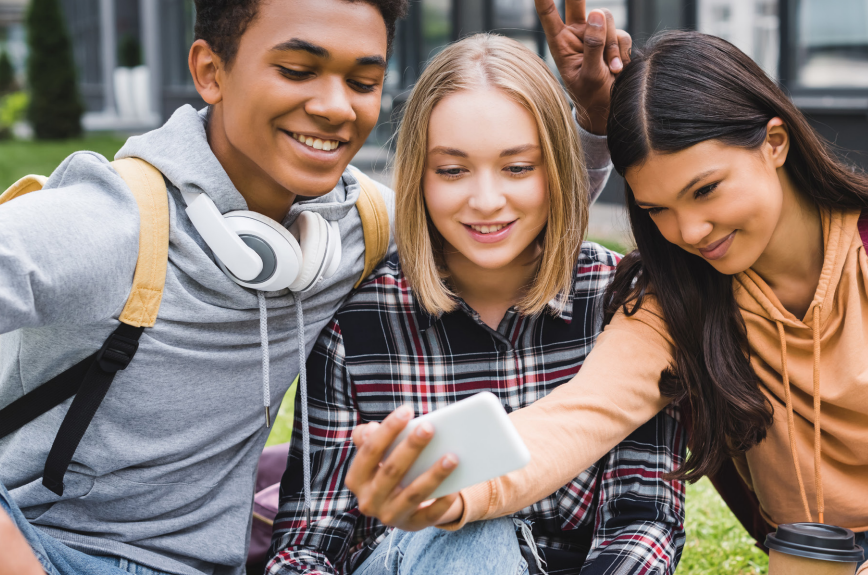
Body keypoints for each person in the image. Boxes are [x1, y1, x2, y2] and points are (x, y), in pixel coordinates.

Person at [340, 29, 868, 575]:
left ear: (773, 141)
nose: (690, 230)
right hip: (821, 553)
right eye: (660, 210)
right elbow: (569, 422)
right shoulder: (674, 298)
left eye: (705, 190)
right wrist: (447, 491)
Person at [0, 0, 622, 573]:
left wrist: (593, 123)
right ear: (211, 71)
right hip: (52, 550)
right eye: (298, 70)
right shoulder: (109, 222)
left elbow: (498, 221)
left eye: (362, 81)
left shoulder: (361, 225)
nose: (335, 107)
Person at [267, 32, 685, 575]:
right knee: (471, 530)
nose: (486, 202)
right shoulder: (360, 326)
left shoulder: (620, 303)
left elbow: (645, 519)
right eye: (452, 170)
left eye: (517, 168)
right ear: (418, 175)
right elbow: (308, 545)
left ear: (557, 168)